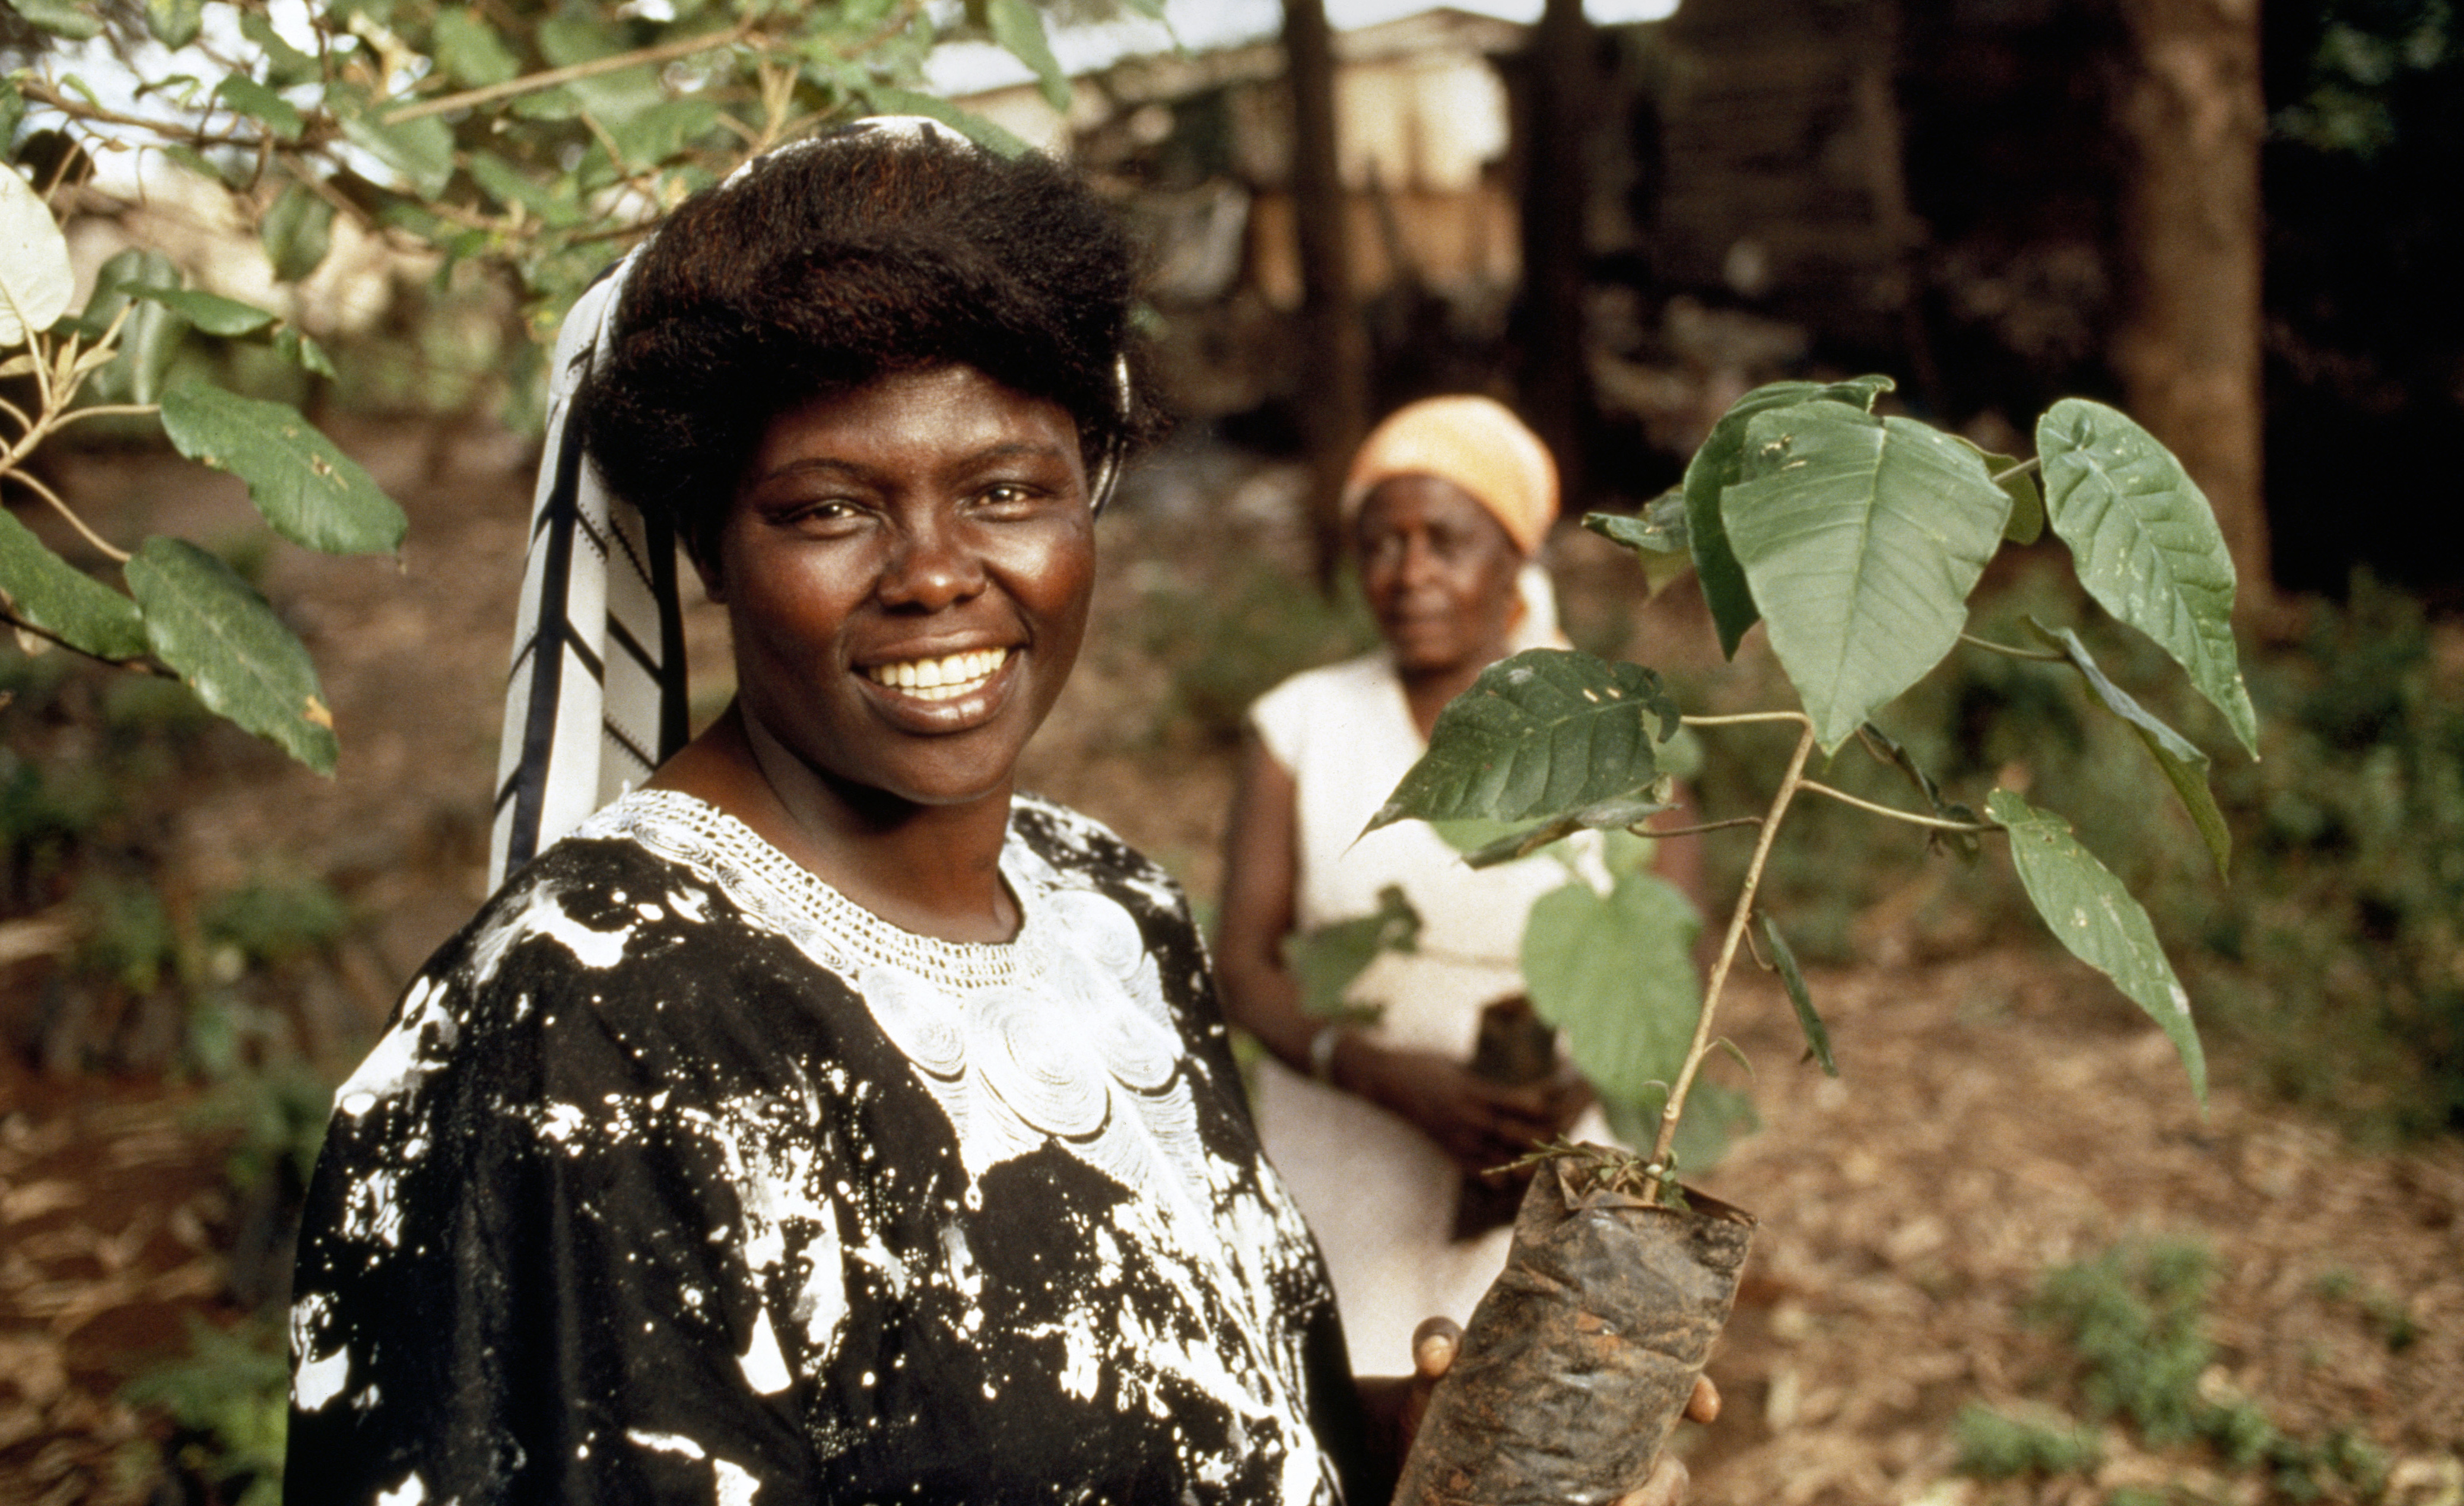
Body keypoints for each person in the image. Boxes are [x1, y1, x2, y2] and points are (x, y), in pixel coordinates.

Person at [282, 121, 1706, 1506]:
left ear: (1087, 494)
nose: (935, 573)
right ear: (711, 543)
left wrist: (1434, 1439)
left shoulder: (1111, 905)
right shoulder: (590, 1022)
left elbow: (1184, 1410)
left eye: (1007, 489)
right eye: (830, 509)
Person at [1214, 397, 1704, 1380]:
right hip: (1344, 1173)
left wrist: (1573, 1092)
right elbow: (1241, 968)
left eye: (1447, 540)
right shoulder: (1302, 728)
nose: (1410, 575)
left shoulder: (1612, 729)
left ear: (1515, 554)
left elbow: (1670, 955)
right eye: (1381, 544)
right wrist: (1380, 1074)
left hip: (1558, 1179)